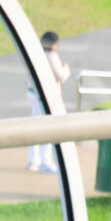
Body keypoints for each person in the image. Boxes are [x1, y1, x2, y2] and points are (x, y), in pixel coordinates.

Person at [26, 29, 70, 175]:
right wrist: (66, 69)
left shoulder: (35, 54)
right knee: (47, 128)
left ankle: (33, 160)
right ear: (54, 44)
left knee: (35, 126)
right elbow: (59, 75)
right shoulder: (52, 56)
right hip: (47, 97)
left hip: (33, 93)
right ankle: (45, 162)